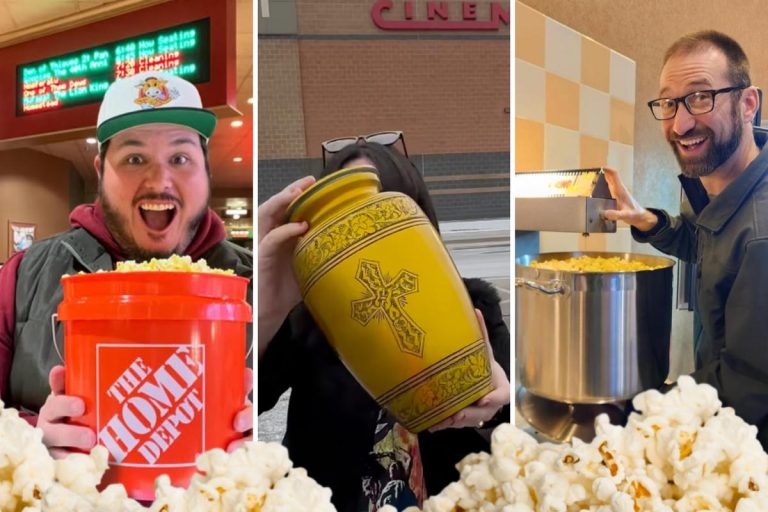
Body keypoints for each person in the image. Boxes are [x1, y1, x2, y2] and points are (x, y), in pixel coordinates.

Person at [0, 70, 253, 457]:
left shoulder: (256, 283)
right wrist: (30, 440)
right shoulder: (22, 276)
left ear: (206, 170)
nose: (159, 180)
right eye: (135, 158)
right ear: (101, 171)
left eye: (180, 157)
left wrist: (264, 455)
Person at [258, 140, 510, 511]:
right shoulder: (306, 321)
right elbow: (247, 402)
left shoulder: (473, 308)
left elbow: (509, 421)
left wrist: (495, 406)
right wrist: (266, 307)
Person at [603, 30, 768, 446]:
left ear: (747, 104)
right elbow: (706, 247)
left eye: (700, 98)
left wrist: (645, 409)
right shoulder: (721, 187)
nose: (680, 123)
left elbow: (747, 386)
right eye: (669, 103)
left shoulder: (761, 234)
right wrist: (648, 222)